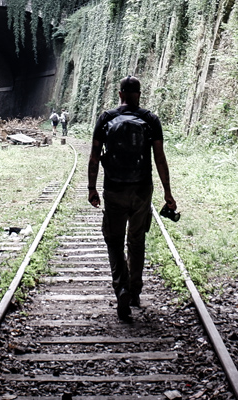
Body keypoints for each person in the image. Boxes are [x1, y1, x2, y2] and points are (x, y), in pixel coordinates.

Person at [88, 76, 176, 321]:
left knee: (114, 242)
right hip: (141, 189)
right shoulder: (150, 119)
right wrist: (167, 192)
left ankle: (122, 290)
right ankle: (135, 291)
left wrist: (91, 188)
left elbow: (95, 157)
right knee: (136, 241)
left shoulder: (106, 118)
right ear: (139, 93)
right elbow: (159, 158)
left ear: (120, 94)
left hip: (114, 189)